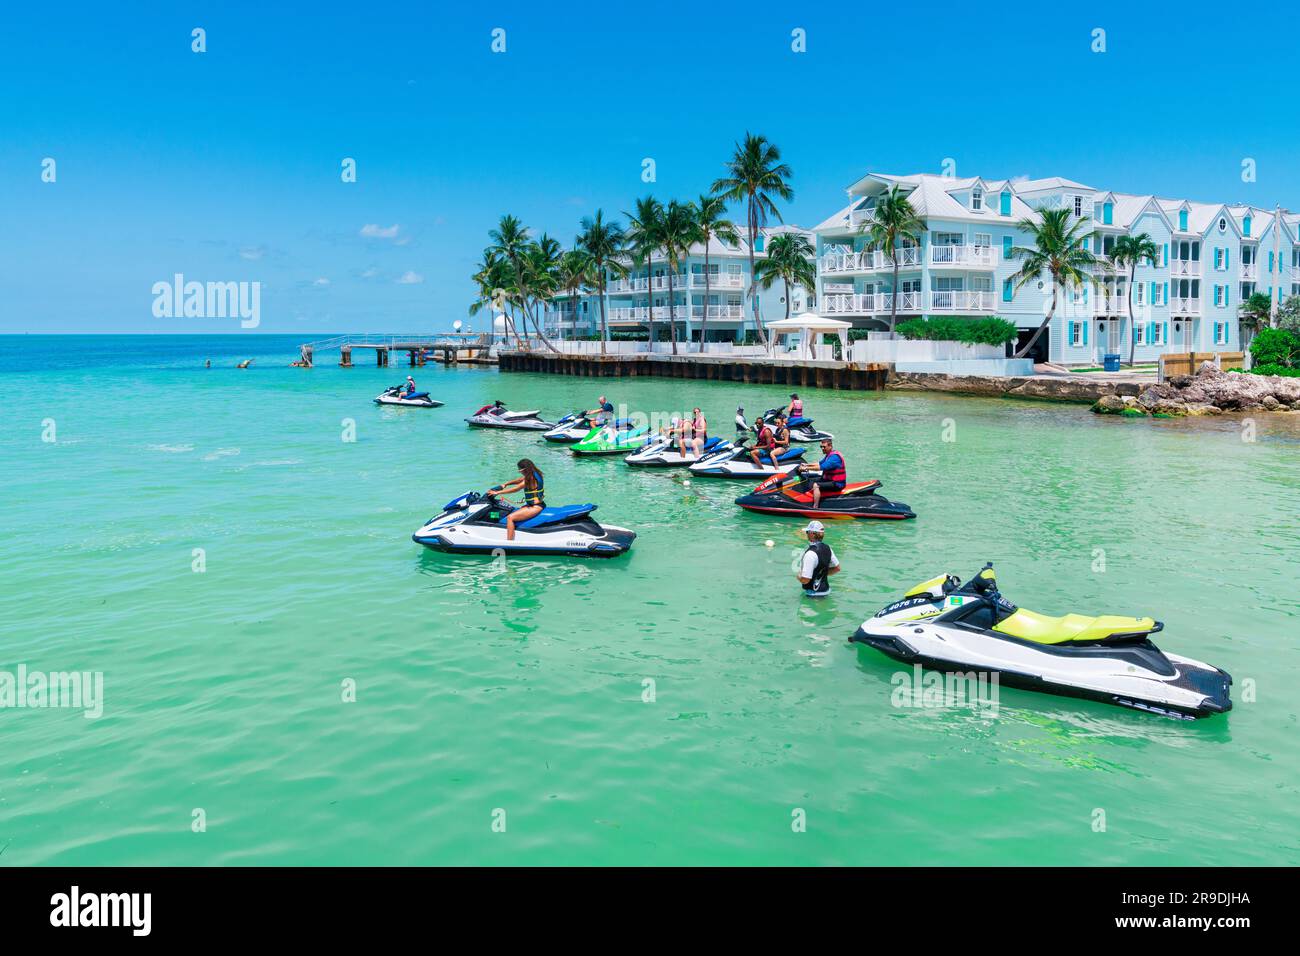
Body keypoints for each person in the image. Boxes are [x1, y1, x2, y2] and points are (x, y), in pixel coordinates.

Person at [491, 459, 545, 541]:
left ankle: (509, 543)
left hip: (536, 507)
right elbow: (519, 480)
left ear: (525, 469)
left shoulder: (531, 478)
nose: (520, 472)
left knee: (510, 517)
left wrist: (498, 492)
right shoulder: (535, 474)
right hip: (533, 505)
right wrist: (506, 484)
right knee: (510, 510)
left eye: (520, 470)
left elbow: (516, 488)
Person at [799, 438, 846, 509]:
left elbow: (822, 467)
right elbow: (819, 463)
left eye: (824, 447)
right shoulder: (829, 455)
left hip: (837, 484)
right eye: (821, 447)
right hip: (829, 480)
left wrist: (806, 468)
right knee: (809, 479)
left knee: (816, 485)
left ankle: (815, 506)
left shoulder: (835, 457)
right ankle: (805, 497)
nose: (822, 448)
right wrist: (806, 465)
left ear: (830, 446)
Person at [797, 520, 840, 597]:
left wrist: (799, 577)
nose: (807, 535)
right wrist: (821, 574)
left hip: (813, 595)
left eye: (807, 532)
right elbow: (837, 568)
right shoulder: (828, 548)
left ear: (812, 534)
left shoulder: (810, 554)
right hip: (826, 591)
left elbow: (806, 580)